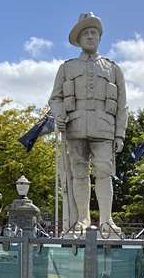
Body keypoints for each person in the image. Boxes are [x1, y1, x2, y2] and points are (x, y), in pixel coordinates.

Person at [49, 13, 127, 236]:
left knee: (104, 173)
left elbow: (123, 104)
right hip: (75, 127)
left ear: (100, 37)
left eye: (94, 32)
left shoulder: (113, 68)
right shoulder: (67, 67)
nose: (90, 36)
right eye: (86, 33)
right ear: (79, 39)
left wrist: (119, 135)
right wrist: (59, 114)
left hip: (104, 129)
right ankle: (82, 219)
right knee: (78, 174)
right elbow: (55, 97)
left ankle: (106, 220)